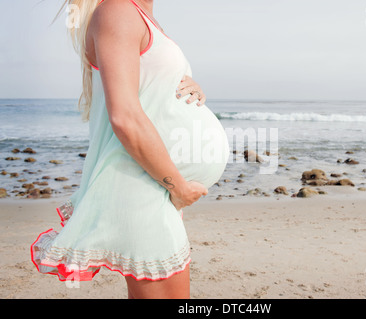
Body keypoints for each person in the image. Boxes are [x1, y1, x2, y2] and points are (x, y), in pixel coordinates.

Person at [31, 0, 229, 299]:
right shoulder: (118, 10)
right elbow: (124, 117)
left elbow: (148, 91)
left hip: (153, 186)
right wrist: (177, 188)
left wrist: (189, 91)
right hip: (144, 186)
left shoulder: (140, 14)